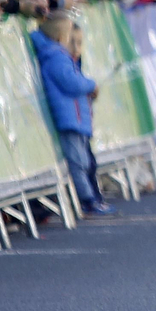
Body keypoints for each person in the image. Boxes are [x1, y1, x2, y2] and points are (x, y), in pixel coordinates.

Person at [31, 15, 115, 215]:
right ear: (62, 37)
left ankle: (92, 197)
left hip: (76, 118)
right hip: (70, 119)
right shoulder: (56, 57)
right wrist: (91, 84)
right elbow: (71, 83)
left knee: (85, 161)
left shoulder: (61, 56)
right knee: (79, 163)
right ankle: (87, 200)